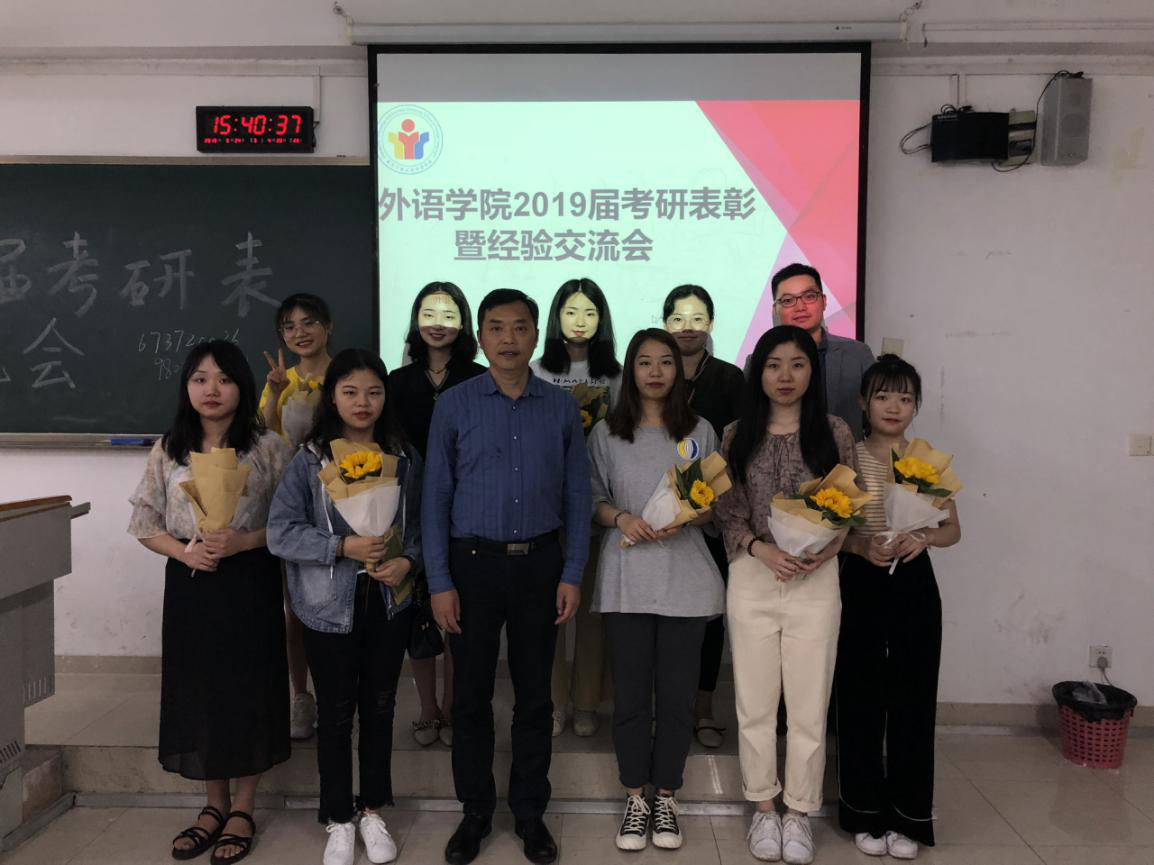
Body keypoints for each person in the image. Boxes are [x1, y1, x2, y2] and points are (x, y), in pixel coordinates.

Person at [424, 288, 591, 865]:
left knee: (535, 696)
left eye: (520, 327)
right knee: (470, 697)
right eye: (496, 328)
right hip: (471, 567)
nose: (509, 339)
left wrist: (572, 571)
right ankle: (475, 812)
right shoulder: (455, 405)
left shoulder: (560, 407)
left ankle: (529, 813)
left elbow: (577, 496)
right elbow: (435, 496)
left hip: (541, 565)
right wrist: (439, 582)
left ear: (536, 334)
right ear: (481, 336)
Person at [127, 340, 292, 865]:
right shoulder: (169, 448)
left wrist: (245, 542)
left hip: (250, 578)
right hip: (192, 580)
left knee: (249, 686)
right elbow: (144, 522)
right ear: (187, 387)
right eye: (200, 379)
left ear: (242, 385)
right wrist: (184, 552)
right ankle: (213, 804)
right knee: (199, 687)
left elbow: (294, 523)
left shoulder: (268, 447)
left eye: (224, 378)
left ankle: (243, 806)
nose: (211, 389)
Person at [267, 348, 423, 865]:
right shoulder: (310, 459)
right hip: (327, 607)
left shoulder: (403, 456)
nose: (363, 402)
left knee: (380, 706)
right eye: (351, 392)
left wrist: (407, 562)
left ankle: (373, 809)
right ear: (332, 397)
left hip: (388, 602)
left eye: (374, 392)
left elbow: (420, 529)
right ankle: (337, 817)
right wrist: (342, 546)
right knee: (335, 713)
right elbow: (280, 532)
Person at [715, 325, 858, 865]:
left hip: (815, 579)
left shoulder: (834, 431)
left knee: (808, 704)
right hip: (753, 576)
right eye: (774, 365)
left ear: (811, 372)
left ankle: (799, 813)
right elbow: (727, 510)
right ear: (759, 372)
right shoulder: (736, 434)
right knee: (754, 704)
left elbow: (849, 504)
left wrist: (828, 547)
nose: (785, 376)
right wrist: (760, 549)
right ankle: (763, 809)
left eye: (797, 364)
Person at [587, 328, 723, 852]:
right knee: (629, 699)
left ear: (678, 370)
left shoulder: (700, 430)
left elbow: (713, 505)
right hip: (626, 582)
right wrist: (621, 517)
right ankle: (634, 798)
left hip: (685, 583)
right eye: (644, 362)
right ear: (630, 370)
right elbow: (591, 499)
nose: (656, 372)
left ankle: (666, 795)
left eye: (666, 361)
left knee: (676, 698)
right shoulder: (607, 433)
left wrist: (691, 514)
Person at [836, 355, 961, 861]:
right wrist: (858, 545)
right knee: (859, 697)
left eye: (905, 398)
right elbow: (830, 527)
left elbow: (953, 529)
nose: (894, 406)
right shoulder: (846, 456)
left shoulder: (926, 460)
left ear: (916, 406)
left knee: (913, 699)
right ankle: (863, 810)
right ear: (863, 402)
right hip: (860, 578)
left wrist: (924, 538)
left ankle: (909, 814)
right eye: (883, 396)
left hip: (913, 581)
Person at [389, 282, 485, 749]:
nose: (438, 323)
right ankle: (427, 709)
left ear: (463, 323)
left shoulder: (480, 378)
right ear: (415, 319)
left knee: (460, 616)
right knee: (420, 617)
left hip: (467, 511)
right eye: (429, 313)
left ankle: (452, 706)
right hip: (409, 511)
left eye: (449, 314)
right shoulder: (396, 381)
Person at [531, 276, 622, 738]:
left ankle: (586, 703)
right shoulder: (537, 371)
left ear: (602, 319)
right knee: (548, 612)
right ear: (556, 318)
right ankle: (552, 702)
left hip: (600, 506)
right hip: (546, 509)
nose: (580, 321)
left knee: (590, 614)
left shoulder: (616, 375)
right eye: (571, 312)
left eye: (590, 312)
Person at [662, 284, 744, 748]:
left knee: (710, 616)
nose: (687, 327)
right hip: (654, 519)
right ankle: (663, 707)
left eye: (697, 318)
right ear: (665, 323)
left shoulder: (730, 378)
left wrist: (709, 506)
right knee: (660, 619)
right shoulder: (653, 372)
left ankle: (703, 708)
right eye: (678, 318)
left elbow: (739, 449)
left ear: (710, 323)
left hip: (710, 518)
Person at [260, 292, 336, 742]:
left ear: (328, 326)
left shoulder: (345, 374)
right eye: (289, 326)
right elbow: (264, 437)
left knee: (335, 602)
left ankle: (337, 694)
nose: (299, 333)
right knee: (295, 609)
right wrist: (274, 393)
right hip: (290, 500)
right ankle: (301, 696)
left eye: (309, 322)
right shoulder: (279, 378)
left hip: (340, 497)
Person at [771, 263, 874, 440]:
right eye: (788, 300)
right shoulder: (760, 362)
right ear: (775, 310)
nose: (800, 307)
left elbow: (874, 419)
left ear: (824, 301)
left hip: (845, 456)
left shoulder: (858, 354)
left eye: (809, 296)